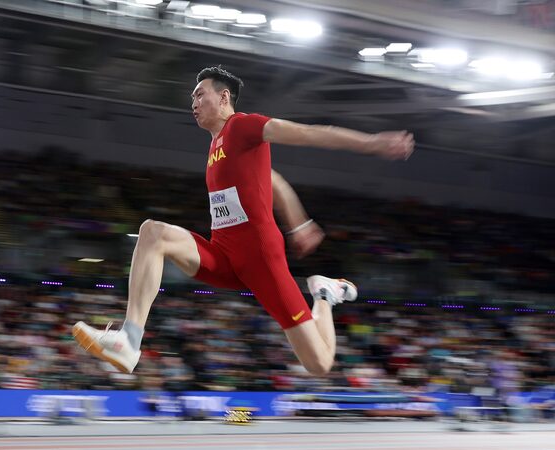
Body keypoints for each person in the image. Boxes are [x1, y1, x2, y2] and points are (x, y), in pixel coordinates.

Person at [73, 66, 414, 375]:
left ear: (223, 98)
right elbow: (274, 181)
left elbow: (310, 133)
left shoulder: (244, 126)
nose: (192, 102)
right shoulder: (215, 147)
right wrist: (299, 223)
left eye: (199, 94)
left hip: (261, 260)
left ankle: (324, 294)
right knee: (152, 232)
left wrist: (371, 143)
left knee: (320, 364)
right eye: (192, 96)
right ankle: (129, 340)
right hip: (224, 257)